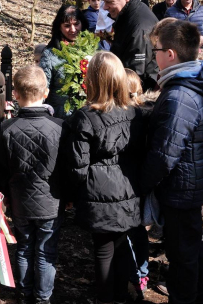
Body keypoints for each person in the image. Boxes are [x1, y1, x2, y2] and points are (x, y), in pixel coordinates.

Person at [140, 20, 203, 304]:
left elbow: (165, 155)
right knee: (191, 248)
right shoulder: (188, 81)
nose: (154, 56)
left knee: (182, 257)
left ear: (171, 54)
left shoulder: (180, 94)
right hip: (190, 182)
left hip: (182, 187)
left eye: (156, 50)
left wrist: (140, 184)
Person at [62, 52, 149, 304]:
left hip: (98, 192)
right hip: (127, 190)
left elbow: (77, 166)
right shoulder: (134, 114)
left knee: (104, 250)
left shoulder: (84, 118)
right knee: (121, 247)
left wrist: (70, 195)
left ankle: (106, 299)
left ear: (93, 80)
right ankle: (120, 295)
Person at [0, 66, 64, 304]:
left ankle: (25, 294)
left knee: (24, 246)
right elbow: (66, 168)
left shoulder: (6, 128)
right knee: (46, 250)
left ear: (15, 94)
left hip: (20, 199)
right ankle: (42, 297)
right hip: (51, 202)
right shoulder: (59, 128)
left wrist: (4, 196)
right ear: (45, 93)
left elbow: (1, 169)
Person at [100, 0, 159, 91]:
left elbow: (136, 74)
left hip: (138, 93)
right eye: (104, 2)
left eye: (110, 2)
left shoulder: (139, 27)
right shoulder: (127, 15)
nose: (105, 7)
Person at [39, 4, 88, 118]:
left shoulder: (93, 48)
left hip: (88, 114)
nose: (72, 29)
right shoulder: (50, 54)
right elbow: (41, 88)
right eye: (67, 25)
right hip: (60, 118)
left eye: (76, 24)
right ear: (59, 27)